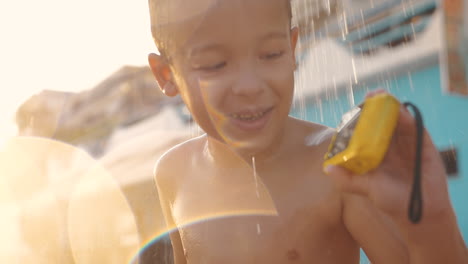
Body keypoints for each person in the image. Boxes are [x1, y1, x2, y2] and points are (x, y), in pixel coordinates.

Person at [147, 0, 468, 263]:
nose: (250, 86)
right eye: (215, 64)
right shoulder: (172, 173)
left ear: (292, 49)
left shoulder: (335, 169)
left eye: (271, 54)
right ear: (166, 75)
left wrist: (433, 220)